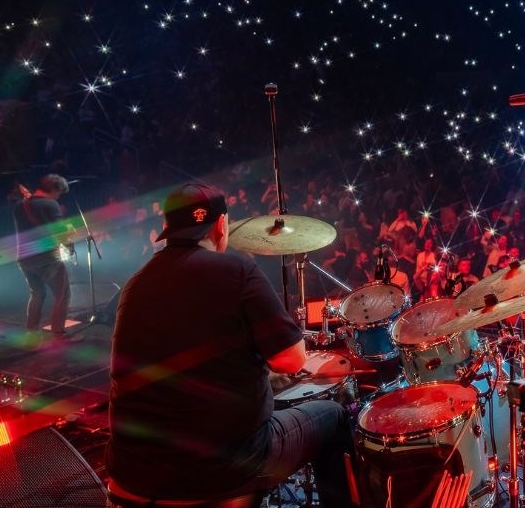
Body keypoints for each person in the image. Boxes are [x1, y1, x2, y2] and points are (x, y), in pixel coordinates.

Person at [107, 183, 354, 504]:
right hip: (221, 470)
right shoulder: (236, 270)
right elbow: (291, 361)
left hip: (131, 470)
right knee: (333, 416)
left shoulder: (134, 285)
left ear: (165, 228)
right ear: (222, 225)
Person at [12, 174, 75, 342]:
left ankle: (31, 333)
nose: (59, 197)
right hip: (46, 258)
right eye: (59, 193)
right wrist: (69, 233)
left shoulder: (20, 206)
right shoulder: (50, 204)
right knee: (63, 295)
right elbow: (59, 234)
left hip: (24, 257)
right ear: (55, 189)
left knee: (37, 294)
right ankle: (58, 335)